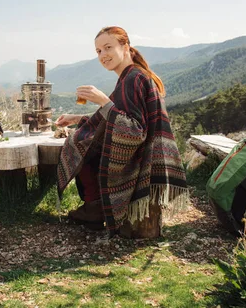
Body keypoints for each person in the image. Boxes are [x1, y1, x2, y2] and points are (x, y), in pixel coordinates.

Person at [55, 26, 188, 236]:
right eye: (98, 51)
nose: (103, 55)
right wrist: (77, 118)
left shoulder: (134, 78)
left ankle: (95, 208)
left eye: (108, 47)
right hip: (144, 153)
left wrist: (103, 101)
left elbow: (134, 131)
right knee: (83, 137)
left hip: (144, 160)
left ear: (125, 46)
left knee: (79, 142)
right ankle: (94, 208)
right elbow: (116, 117)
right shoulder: (129, 77)